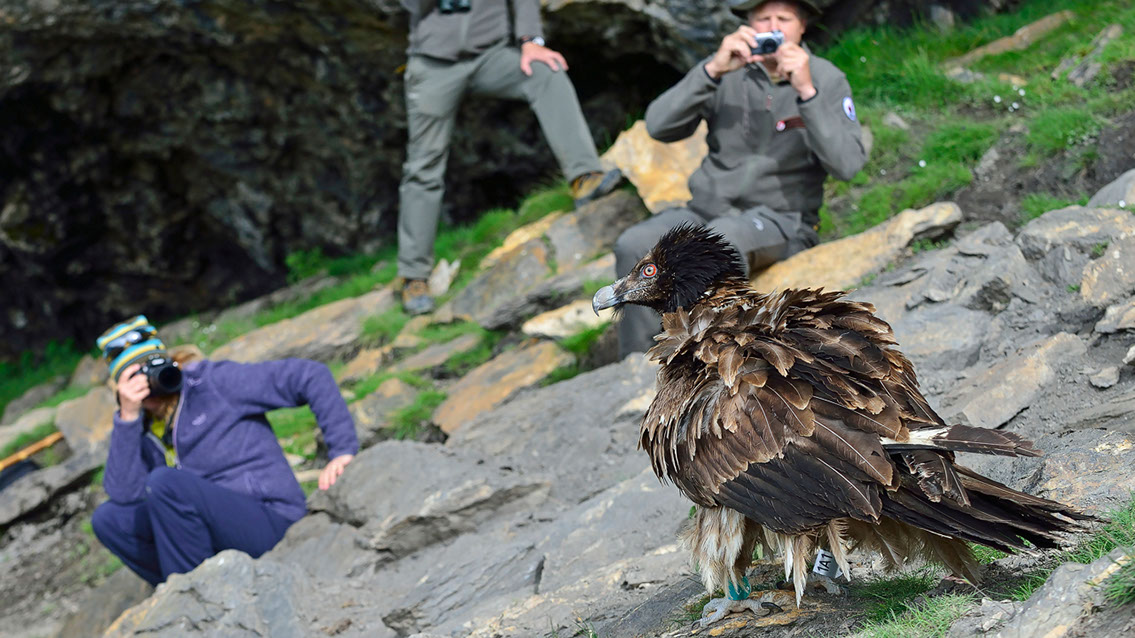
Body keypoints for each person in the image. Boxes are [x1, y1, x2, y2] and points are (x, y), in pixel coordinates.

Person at [612, 0, 866, 356]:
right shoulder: (726, 72)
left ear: (802, 25)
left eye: (783, 19)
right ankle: (638, 367)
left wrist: (807, 92)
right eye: (763, 18)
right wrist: (712, 69)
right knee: (634, 244)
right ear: (748, 24)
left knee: (717, 245)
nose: (773, 28)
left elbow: (848, 164)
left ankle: (709, 360)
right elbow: (658, 126)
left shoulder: (825, 78)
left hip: (780, 221)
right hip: (704, 210)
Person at [89, 316, 358, 586]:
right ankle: (185, 592)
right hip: (208, 531)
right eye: (135, 377)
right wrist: (127, 418)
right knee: (108, 520)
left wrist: (342, 450)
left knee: (166, 483)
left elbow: (310, 375)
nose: (149, 382)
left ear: (169, 362)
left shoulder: (212, 383)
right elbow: (125, 495)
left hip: (270, 519)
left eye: (151, 369)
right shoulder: (139, 425)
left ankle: (191, 596)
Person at [397, 0, 623, 315]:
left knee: (546, 72)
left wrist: (530, 41)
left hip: (492, 54)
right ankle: (413, 276)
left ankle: (584, 176)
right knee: (423, 167)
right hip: (433, 63)